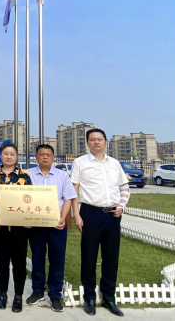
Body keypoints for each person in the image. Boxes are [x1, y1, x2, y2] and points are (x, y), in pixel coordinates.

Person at [71, 128, 129, 317]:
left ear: (105, 142)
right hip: (90, 213)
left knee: (111, 258)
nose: (96, 142)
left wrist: (122, 205)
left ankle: (109, 297)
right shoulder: (80, 163)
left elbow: (124, 187)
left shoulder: (114, 163)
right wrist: (76, 215)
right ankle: (89, 298)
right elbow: (73, 190)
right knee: (89, 257)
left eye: (100, 139)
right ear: (87, 142)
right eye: (92, 139)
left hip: (112, 215)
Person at [26, 144, 77, 312]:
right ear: (36, 157)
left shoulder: (62, 175)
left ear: (53, 157)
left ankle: (55, 294)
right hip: (36, 225)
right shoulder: (28, 174)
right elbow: (22, 196)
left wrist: (63, 218)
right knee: (37, 258)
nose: (45, 157)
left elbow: (68, 198)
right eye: (42, 154)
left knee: (57, 259)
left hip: (57, 225)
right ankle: (38, 291)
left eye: (48, 154)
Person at [0, 143, 31, 313]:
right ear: (0, 156)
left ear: (17, 156)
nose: (8, 156)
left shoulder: (24, 175)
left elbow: (31, 198)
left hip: (19, 227)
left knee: (19, 263)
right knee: (1, 262)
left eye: (12, 154)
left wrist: (29, 218)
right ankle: (3, 294)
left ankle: (18, 296)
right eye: (5, 153)